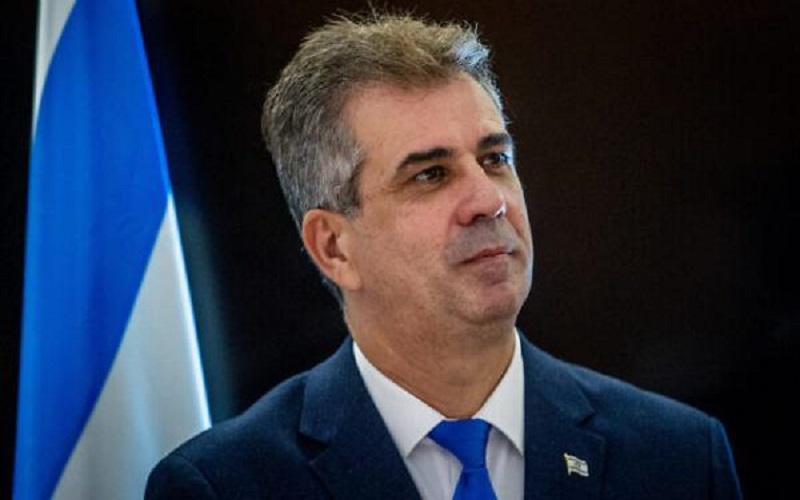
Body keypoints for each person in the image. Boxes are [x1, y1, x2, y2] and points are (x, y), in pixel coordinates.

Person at [146, 12, 742, 499]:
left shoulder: (679, 459)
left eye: (494, 159)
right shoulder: (223, 486)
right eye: (430, 174)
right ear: (333, 246)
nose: (489, 201)